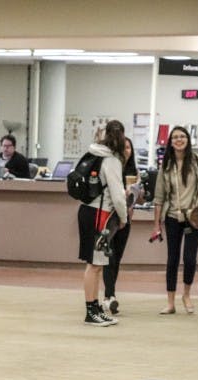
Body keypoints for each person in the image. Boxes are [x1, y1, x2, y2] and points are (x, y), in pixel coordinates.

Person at [152, 125, 198, 315]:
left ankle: (186, 294)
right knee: (172, 259)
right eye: (175, 137)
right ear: (170, 142)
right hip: (172, 217)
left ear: (188, 140)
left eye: (182, 137)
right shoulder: (167, 165)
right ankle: (170, 302)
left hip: (194, 216)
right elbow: (159, 197)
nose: (179, 140)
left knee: (189, 258)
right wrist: (156, 225)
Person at [77, 119, 129, 326]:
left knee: (96, 264)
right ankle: (91, 311)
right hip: (100, 215)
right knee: (95, 265)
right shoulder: (112, 161)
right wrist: (123, 218)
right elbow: (118, 196)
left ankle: (96, 307)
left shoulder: (94, 154)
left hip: (87, 211)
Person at [102, 136, 143, 316]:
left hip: (126, 221)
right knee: (108, 258)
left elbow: (139, 198)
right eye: (123, 147)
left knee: (116, 259)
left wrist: (139, 193)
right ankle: (109, 295)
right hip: (110, 219)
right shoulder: (111, 167)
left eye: (128, 148)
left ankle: (110, 295)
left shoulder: (135, 172)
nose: (126, 150)